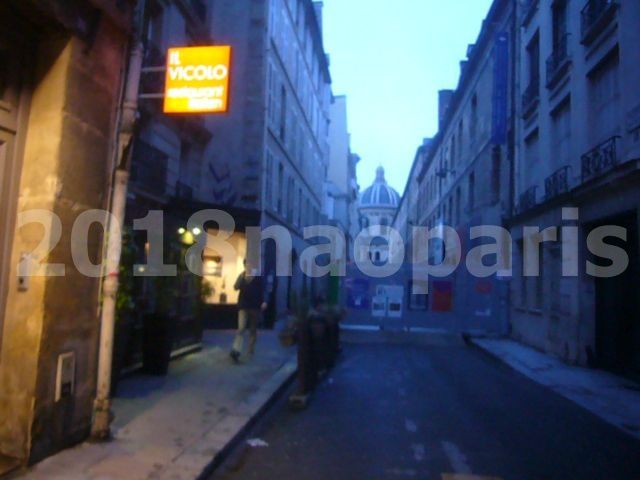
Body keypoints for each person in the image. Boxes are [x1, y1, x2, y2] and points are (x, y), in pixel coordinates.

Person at [230, 261, 267, 363]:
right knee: (241, 328)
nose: (248, 267)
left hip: (255, 306)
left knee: (253, 329)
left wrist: (264, 301)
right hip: (243, 306)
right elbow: (235, 287)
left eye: (250, 265)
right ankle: (236, 350)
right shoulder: (242, 276)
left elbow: (263, 289)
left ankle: (250, 349)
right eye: (246, 265)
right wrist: (242, 277)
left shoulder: (258, 277)